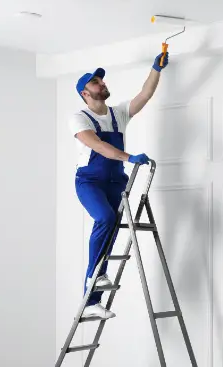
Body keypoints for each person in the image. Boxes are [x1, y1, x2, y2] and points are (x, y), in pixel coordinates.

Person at [68, 52, 169, 318]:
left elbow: (144, 95)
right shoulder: (79, 118)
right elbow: (99, 146)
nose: (101, 84)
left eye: (101, 80)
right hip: (89, 181)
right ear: (85, 94)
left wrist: (155, 68)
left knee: (111, 229)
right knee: (104, 217)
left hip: (115, 181)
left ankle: (92, 303)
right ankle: (93, 276)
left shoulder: (118, 114)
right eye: (95, 83)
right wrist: (129, 157)